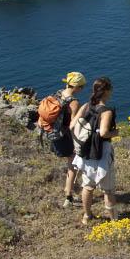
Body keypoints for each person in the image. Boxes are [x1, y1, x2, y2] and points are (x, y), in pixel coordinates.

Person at [71, 77, 119, 226]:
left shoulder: (86, 106)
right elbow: (104, 133)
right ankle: (114, 221)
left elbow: (72, 125)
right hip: (101, 153)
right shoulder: (106, 111)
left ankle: (87, 216)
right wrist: (116, 133)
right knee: (108, 190)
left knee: (88, 186)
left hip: (85, 153)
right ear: (107, 91)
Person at [52, 72, 85, 208]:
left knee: (71, 165)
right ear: (77, 87)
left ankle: (70, 191)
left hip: (54, 135)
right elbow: (73, 125)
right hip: (67, 137)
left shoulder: (57, 94)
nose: (82, 90)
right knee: (73, 166)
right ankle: (68, 198)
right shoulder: (74, 102)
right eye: (82, 87)